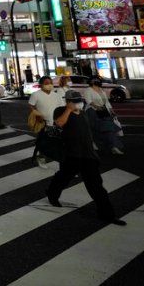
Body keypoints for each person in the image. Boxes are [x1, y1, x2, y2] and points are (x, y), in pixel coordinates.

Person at [46, 90, 127, 226]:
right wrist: (68, 110)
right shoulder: (60, 110)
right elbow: (59, 123)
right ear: (68, 101)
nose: (79, 103)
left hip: (88, 156)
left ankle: (107, 215)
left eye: (80, 100)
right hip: (71, 154)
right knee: (63, 177)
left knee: (96, 187)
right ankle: (52, 194)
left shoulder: (84, 113)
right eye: (76, 101)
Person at [28, 76, 65, 168]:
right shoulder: (36, 94)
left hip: (57, 123)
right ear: (41, 84)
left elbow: (61, 107)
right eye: (46, 83)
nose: (49, 85)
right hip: (44, 123)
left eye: (50, 82)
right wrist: (37, 115)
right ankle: (41, 158)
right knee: (44, 143)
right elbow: (31, 106)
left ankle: (64, 165)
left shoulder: (56, 95)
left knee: (60, 144)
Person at [84, 77, 124, 155]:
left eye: (98, 80)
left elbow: (106, 102)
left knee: (110, 128)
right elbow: (89, 101)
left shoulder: (101, 90)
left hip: (103, 111)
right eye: (95, 80)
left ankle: (114, 147)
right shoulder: (88, 90)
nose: (97, 81)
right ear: (91, 81)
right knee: (94, 128)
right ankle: (92, 142)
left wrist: (112, 111)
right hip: (92, 111)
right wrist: (96, 107)